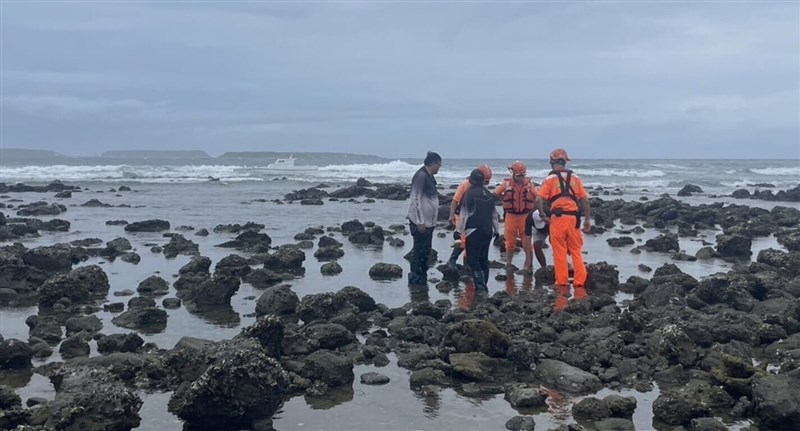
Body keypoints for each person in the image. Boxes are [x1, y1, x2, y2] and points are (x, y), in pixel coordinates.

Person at [534, 148, 592, 290]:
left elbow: (538, 200)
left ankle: (562, 281)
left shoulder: (549, 179)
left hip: (557, 219)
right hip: (574, 219)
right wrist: (587, 220)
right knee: (576, 251)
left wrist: (542, 216)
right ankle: (580, 281)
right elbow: (585, 201)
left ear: (552, 162)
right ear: (565, 161)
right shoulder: (576, 179)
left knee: (559, 251)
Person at [456, 169, 500, 293]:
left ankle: (480, 287)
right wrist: (497, 231)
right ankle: (484, 285)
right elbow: (494, 215)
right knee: (483, 260)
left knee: (473, 260)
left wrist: (458, 231)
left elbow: (464, 214)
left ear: (471, 179)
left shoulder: (469, 194)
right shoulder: (488, 194)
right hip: (487, 230)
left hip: (473, 231)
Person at [446, 164, 493, 271]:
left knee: (470, 242)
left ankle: (467, 265)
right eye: (484, 181)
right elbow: (455, 200)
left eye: (487, 182)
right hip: (461, 215)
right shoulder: (465, 185)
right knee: (463, 239)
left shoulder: (481, 187)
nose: (485, 184)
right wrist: (451, 215)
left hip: (474, 217)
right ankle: (452, 260)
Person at [494, 160, 537, 272]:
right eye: (519, 175)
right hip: (510, 216)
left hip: (525, 216)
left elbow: (537, 196)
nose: (521, 178)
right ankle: (509, 264)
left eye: (523, 175)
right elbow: (495, 194)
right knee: (509, 241)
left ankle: (529, 265)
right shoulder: (506, 184)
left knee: (527, 242)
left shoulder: (529, 184)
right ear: (513, 174)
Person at [407, 151, 442, 285]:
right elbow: (415, 198)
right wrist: (420, 221)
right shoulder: (421, 176)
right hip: (420, 223)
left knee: (425, 251)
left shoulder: (429, 177)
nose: (439, 168)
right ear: (433, 163)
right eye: (439, 165)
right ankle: (415, 279)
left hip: (429, 223)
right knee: (419, 252)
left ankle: (422, 277)